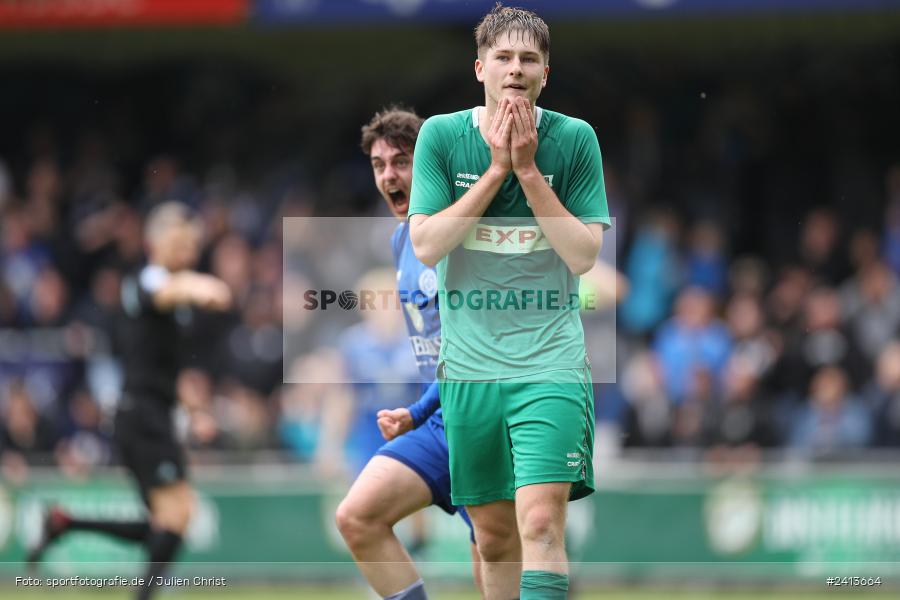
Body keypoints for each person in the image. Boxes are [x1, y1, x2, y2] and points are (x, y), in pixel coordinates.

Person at [407, 4, 611, 599]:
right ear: (480, 69)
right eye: (503, 57)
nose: (516, 69)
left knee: (542, 523)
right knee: (494, 539)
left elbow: (582, 256)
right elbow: (426, 243)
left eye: (529, 59)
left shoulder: (574, 140)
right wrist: (497, 170)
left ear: (547, 72)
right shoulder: (442, 137)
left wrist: (527, 171)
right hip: (471, 372)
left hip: (551, 365)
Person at [28, 202, 232, 600]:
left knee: (166, 523)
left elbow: (172, 370)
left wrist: (196, 411)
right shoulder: (146, 282)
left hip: (151, 414)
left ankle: (65, 521)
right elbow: (169, 289)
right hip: (141, 417)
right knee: (176, 518)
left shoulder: (177, 303)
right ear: (153, 243)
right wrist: (200, 285)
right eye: (178, 242)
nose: (186, 251)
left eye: (191, 244)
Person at [334, 108, 485, 600]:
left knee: (494, 550)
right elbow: (437, 349)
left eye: (401, 161)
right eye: (379, 166)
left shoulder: (463, 235)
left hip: (485, 415)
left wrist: (419, 409)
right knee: (357, 516)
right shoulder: (402, 240)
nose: (389, 175)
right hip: (441, 421)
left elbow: (472, 351)